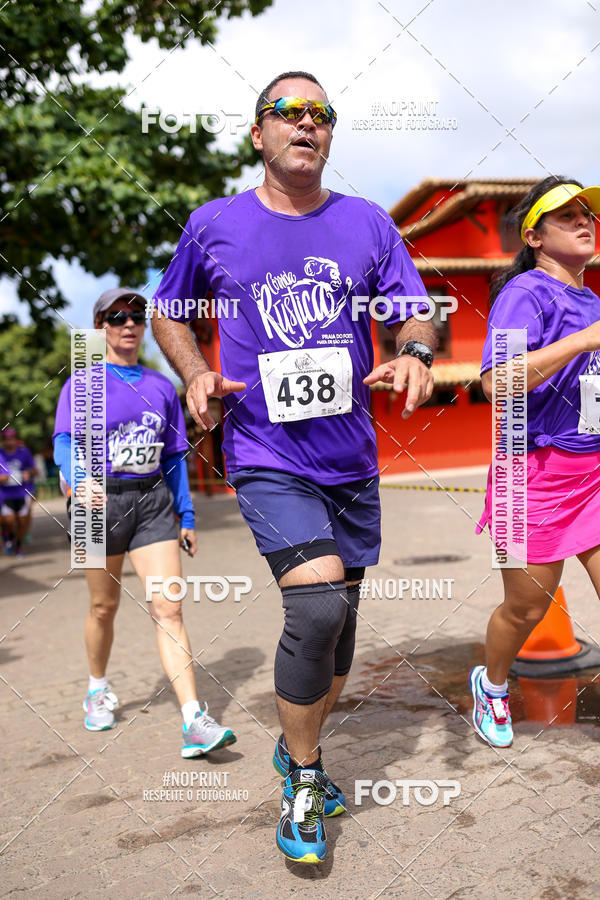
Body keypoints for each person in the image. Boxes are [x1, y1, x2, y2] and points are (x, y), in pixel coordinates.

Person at [152, 71, 436, 863]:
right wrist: (193, 372)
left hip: (350, 457)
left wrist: (414, 351)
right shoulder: (214, 225)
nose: (306, 123)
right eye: (288, 112)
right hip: (265, 452)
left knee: (339, 630)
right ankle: (304, 778)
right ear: (258, 133)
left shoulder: (367, 224)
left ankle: (292, 744)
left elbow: (411, 305)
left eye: (321, 114)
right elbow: (170, 311)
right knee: (314, 612)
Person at [53, 287, 236, 756]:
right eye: (117, 316)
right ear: (101, 328)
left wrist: (187, 514)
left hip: (152, 502)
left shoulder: (159, 387)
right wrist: (75, 475)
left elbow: (175, 457)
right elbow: (63, 442)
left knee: (169, 608)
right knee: (103, 607)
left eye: (136, 314)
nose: (128, 323)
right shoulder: (83, 385)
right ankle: (97, 687)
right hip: (100, 506)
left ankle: (194, 719)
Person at [472, 176, 600, 748]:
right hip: (531, 481)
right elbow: (498, 382)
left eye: (588, 214)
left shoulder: (592, 299)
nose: (584, 221)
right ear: (535, 235)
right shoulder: (524, 293)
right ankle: (492, 684)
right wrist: (582, 342)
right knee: (524, 610)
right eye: (567, 215)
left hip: (592, 473)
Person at [0, 428, 36, 557]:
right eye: (6, 439)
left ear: (16, 440)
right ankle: (8, 536)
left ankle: (19, 546)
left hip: (23, 492)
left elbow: (34, 470)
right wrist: (4, 478)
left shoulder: (24, 453)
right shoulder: (0, 454)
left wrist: (28, 473)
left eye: (12, 439)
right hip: (6, 494)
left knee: (22, 521)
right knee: (8, 521)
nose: (9, 442)